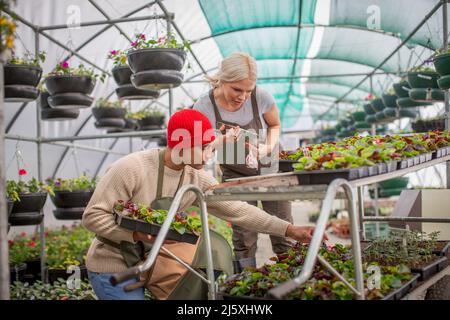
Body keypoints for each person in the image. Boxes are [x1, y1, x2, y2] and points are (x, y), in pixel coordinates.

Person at [82, 109, 319, 300]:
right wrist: (136, 234)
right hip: (114, 265)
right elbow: (92, 216)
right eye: (204, 148)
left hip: (152, 266)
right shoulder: (133, 168)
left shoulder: (196, 177)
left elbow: (238, 209)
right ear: (180, 145)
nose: (209, 155)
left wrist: (289, 230)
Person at [193, 52, 293, 268]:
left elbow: (274, 125)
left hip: (271, 170)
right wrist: (220, 141)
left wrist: (267, 146)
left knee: (283, 229)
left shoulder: (261, 97)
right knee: (244, 234)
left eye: (248, 90)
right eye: (237, 89)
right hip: (235, 172)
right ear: (222, 80)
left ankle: (292, 279)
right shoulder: (204, 107)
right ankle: (245, 282)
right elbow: (202, 148)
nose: (243, 96)